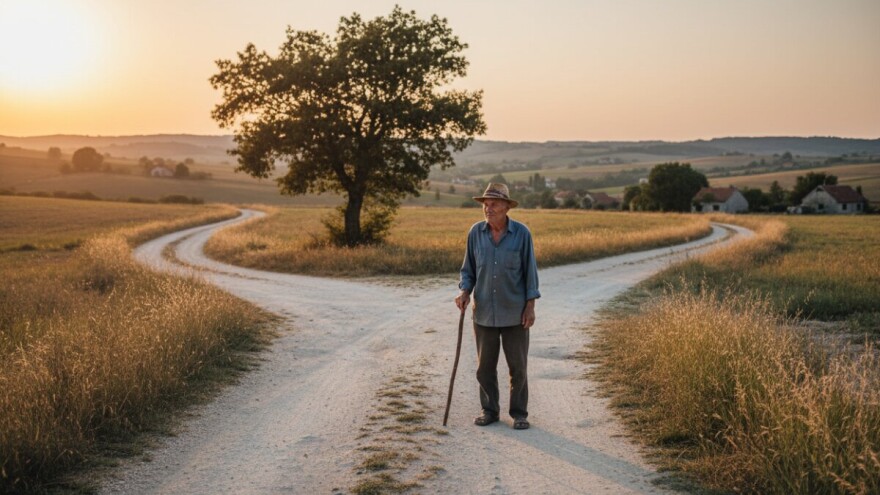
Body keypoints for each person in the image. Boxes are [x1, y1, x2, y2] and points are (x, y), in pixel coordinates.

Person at [455, 183, 540, 430]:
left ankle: (519, 414)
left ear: (505, 207)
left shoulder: (522, 234)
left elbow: (530, 274)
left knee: (518, 368)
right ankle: (489, 410)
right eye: (485, 204)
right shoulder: (475, 233)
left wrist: (530, 306)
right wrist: (464, 292)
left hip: (515, 313)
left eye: (493, 204)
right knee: (484, 369)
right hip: (483, 312)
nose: (487, 208)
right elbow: (468, 269)